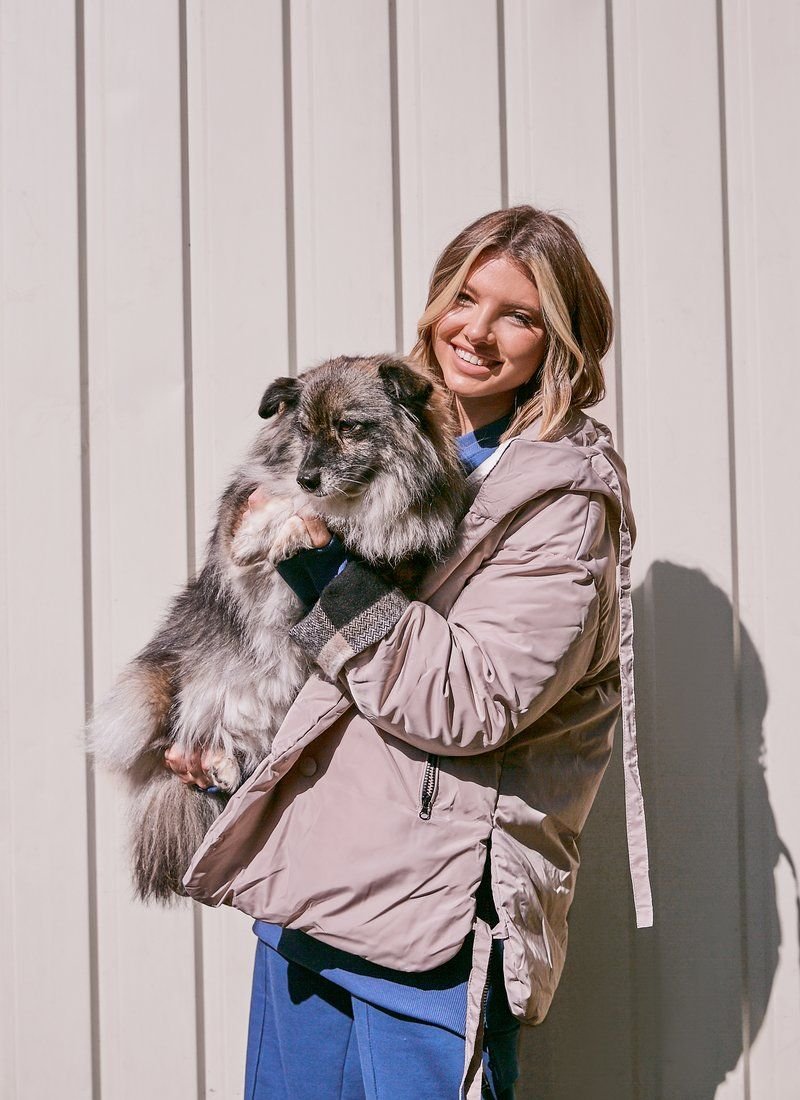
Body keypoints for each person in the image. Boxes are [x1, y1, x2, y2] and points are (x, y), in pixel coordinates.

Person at [167, 205, 654, 1099]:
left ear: (563, 343)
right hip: (310, 892)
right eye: (464, 297)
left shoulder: (560, 503)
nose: (477, 330)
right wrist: (214, 728)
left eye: (520, 314)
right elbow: (276, 642)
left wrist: (317, 561)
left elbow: (465, 702)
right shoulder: (381, 431)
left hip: (426, 926)